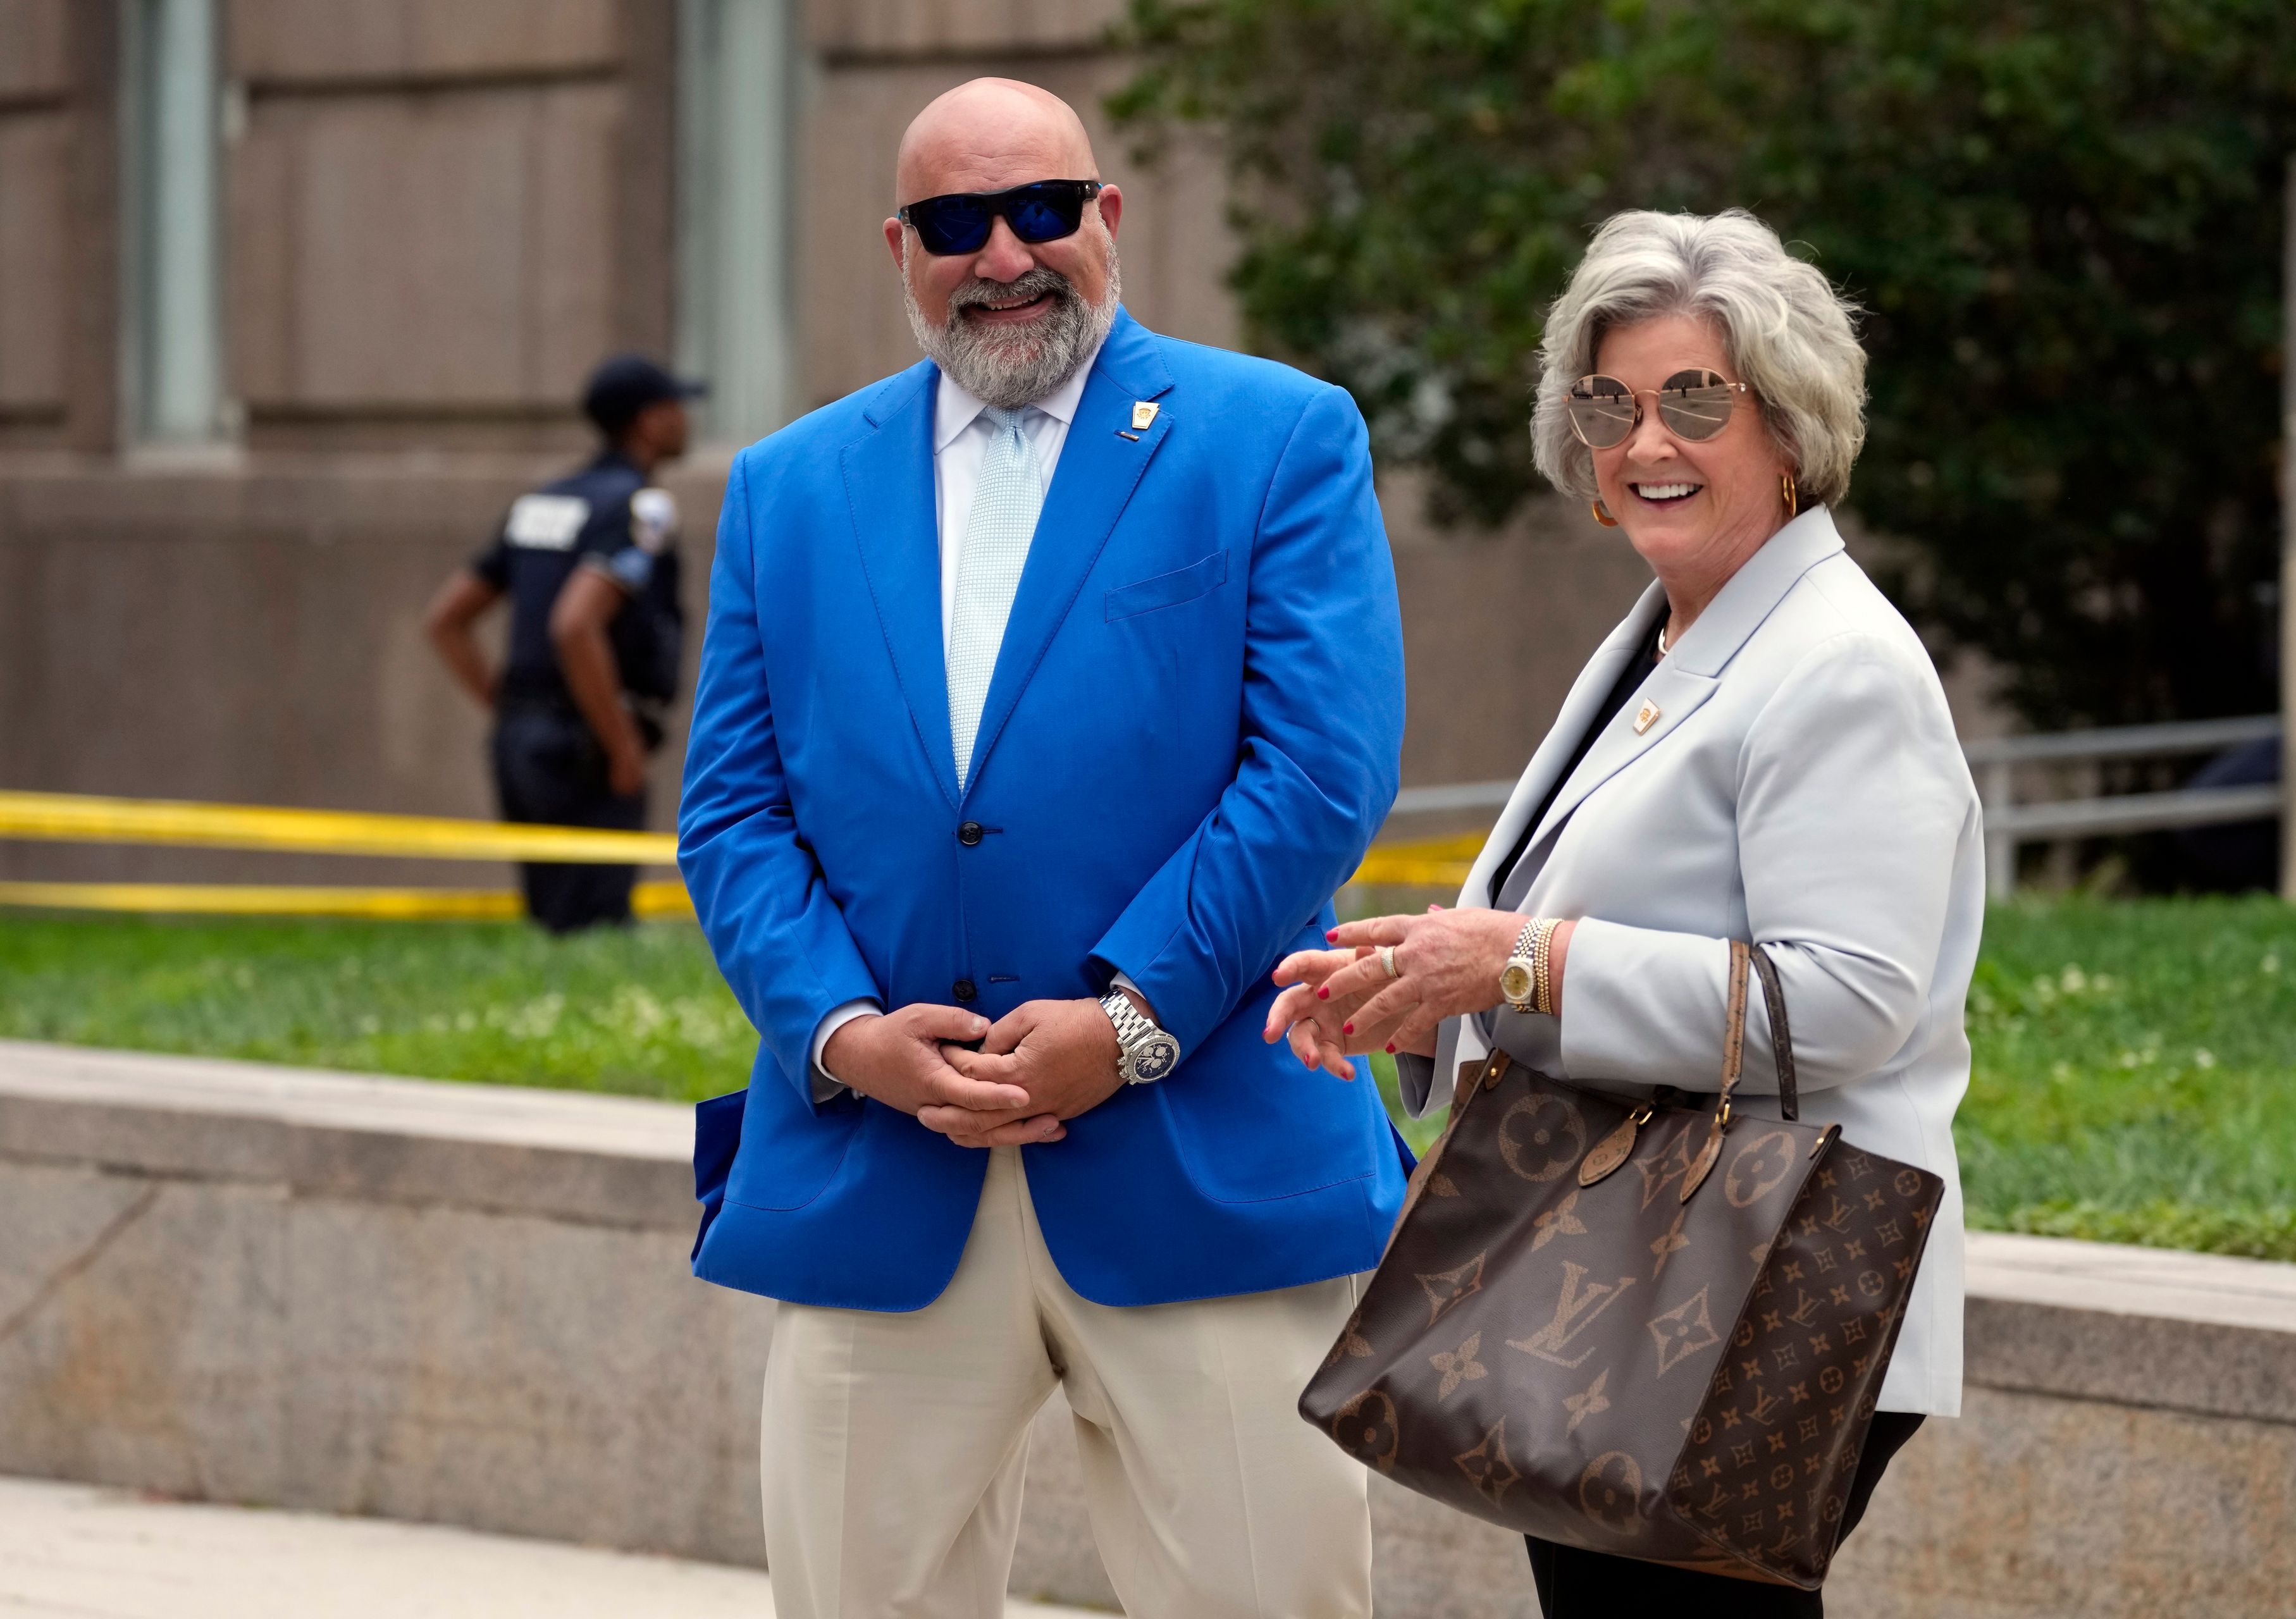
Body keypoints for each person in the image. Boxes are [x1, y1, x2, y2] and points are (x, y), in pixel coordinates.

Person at [677, 78, 1408, 1619]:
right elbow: (733, 809)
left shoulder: (1276, 435)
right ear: (899, 248)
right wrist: (841, 1032)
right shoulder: (785, 486)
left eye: (1040, 209)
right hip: (882, 1162)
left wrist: (1131, 1020)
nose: (1003, 252)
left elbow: (1319, 773)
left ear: (1107, 218)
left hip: (1201, 1149)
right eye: (954, 223)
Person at [1268, 208, 1983, 1619]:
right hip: (1627, 1263)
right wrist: (1429, 981)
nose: (1645, 441)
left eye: (1694, 401)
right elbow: (1582, 920)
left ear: (1790, 424)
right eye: (1610, 403)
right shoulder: (1674, 626)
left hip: (1757, 1276)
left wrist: (1517, 961)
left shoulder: (1841, 663)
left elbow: (1845, 998)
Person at [423, 355, 699, 932]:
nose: (686, 420)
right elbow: (576, 624)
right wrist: (619, 743)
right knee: (596, 925)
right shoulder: (640, 507)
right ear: (647, 422)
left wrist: (509, 708)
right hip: (586, 745)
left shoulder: (543, 501)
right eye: (675, 407)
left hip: (522, 739)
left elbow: (447, 620)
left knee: (553, 921)